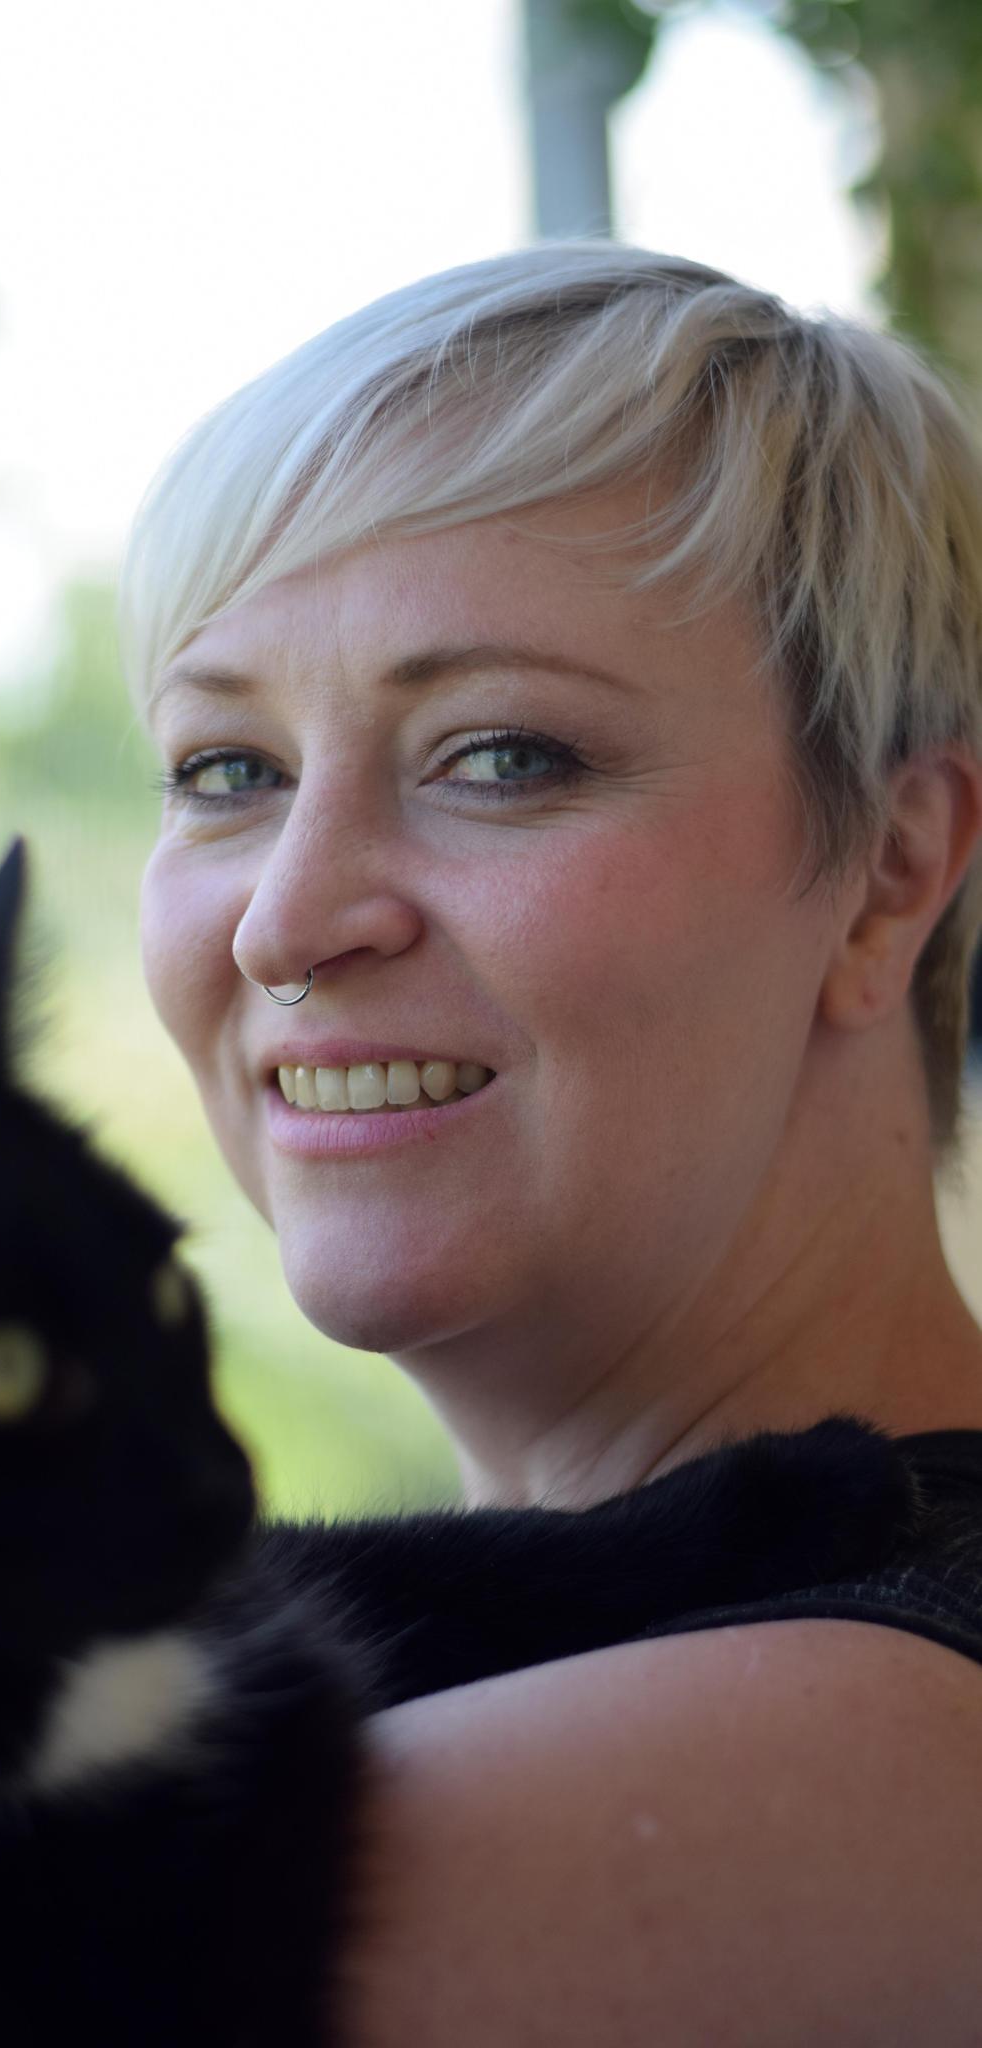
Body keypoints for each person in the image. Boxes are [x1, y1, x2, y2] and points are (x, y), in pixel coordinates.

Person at [118, 244, 982, 2042]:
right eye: (226, 771)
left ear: (889, 868)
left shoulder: (906, 1745)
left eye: (499, 755)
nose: (286, 922)